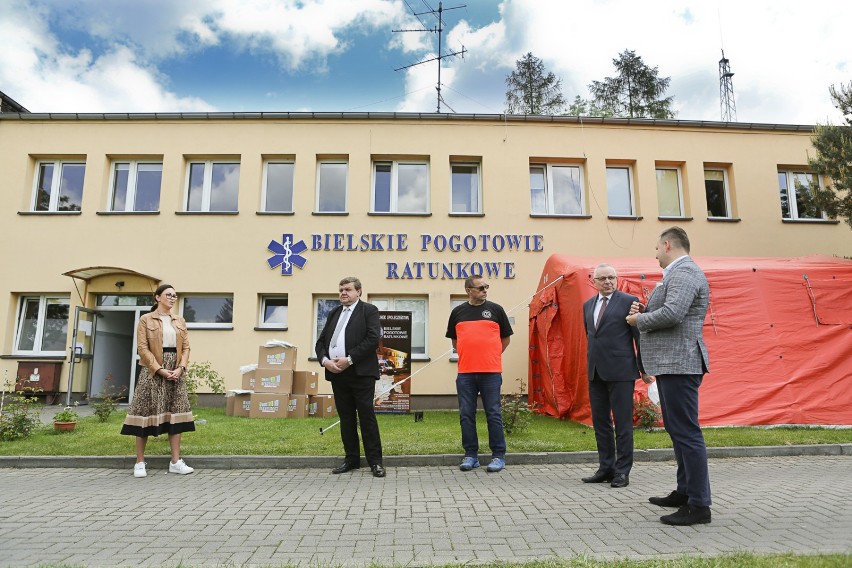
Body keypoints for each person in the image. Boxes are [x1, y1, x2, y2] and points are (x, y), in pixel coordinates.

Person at [626, 227, 712, 526]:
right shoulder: (678, 273)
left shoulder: (684, 271)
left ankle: (699, 505)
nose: (655, 254)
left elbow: (674, 313)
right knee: (679, 431)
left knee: (687, 433)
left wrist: (640, 319)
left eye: (656, 248)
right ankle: (685, 492)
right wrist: (646, 309)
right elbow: (672, 311)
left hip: (681, 362)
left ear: (667, 245)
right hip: (674, 363)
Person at [581, 263, 650, 489]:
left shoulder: (629, 302)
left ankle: (622, 471)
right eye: (603, 278)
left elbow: (638, 337)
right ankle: (606, 468)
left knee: (622, 423)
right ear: (594, 281)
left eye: (611, 277)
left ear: (617, 279)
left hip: (621, 372)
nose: (608, 281)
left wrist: (644, 368)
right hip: (596, 371)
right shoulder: (587, 305)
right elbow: (592, 336)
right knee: (600, 423)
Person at [120, 284, 195, 478]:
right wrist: (159, 369)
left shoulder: (179, 320)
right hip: (152, 371)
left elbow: (186, 347)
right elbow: (142, 348)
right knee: (144, 413)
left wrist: (181, 368)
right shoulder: (145, 320)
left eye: (175, 296)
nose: (172, 298)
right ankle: (139, 462)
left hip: (175, 370)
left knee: (176, 414)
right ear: (157, 297)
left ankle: (176, 462)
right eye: (169, 295)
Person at [315, 277, 385, 478]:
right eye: (340, 290)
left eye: (347, 289)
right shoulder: (334, 312)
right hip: (337, 373)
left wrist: (350, 359)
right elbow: (320, 342)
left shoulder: (368, 311)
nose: (343, 293)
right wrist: (325, 361)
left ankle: (375, 462)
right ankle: (351, 459)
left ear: (359, 292)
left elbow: (373, 338)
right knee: (346, 418)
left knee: (366, 417)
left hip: (361, 373)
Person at [446, 275, 513, 473]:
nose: (485, 290)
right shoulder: (457, 312)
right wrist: (470, 356)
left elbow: (505, 339)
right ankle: (471, 455)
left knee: (493, 413)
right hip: (465, 373)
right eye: (481, 287)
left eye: (486, 287)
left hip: (491, 373)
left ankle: (498, 456)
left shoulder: (496, 310)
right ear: (469, 290)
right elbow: (455, 341)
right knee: (466, 414)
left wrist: (490, 355)